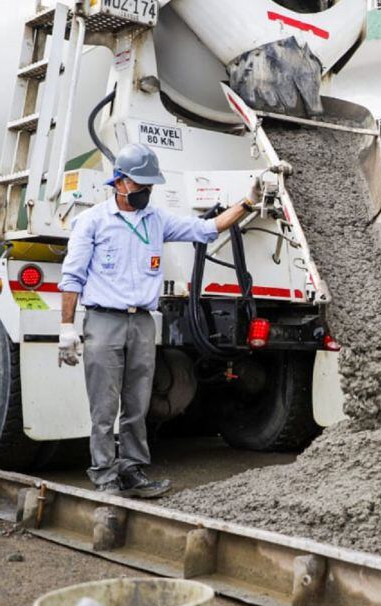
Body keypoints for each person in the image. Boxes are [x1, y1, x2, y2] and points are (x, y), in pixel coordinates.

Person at [58, 143, 260, 497]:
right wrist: (66, 328)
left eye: (150, 186)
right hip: (104, 321)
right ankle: (105, 476)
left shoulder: (157, 220)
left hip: (142, 323)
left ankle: (132, 469)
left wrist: (247, 203)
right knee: (104, 406)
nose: (146, 192)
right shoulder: (92, 222)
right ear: (119, 182)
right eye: (140, 185)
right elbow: (72, 277)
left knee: (138, 403)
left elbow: (208, 228)